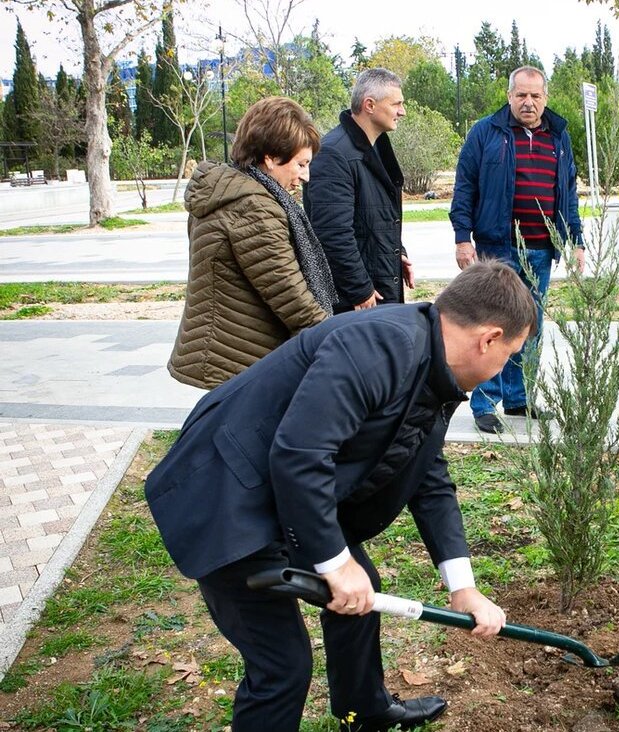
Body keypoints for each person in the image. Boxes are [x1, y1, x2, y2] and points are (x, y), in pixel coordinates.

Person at [145, 261, 537, 732]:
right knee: (282, 664)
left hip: (274, 492)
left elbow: (429, 477)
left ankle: (363, 710)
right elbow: (299, 454)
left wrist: (463, 587)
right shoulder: (380, 346)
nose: (502, 369)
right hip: (222, 497)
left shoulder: (433, 365)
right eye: (509, 354)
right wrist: (333, 561)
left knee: (360, 589)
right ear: (489, 338)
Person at [450, 65, 584, 435]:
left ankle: (519, 396)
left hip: (541, 249)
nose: (528, 102)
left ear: (545, 97)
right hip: (498, 247)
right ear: (509, 96)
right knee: (493, 325)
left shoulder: (559, 136)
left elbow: (568, 193)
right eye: (521, 95)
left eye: (535, 96)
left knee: (530, 326)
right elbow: (464, 189)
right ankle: (484, 401)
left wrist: (575, 241)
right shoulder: (485, 133)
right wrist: (463, 238)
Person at [168, 96, 335, 390]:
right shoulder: (253, 207)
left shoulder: (230, 190)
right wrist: (342, 341)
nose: (305, 176)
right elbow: (290, 295)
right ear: (270, 157)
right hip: (237, 358)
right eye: (301, 164)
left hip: (231, 352)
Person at [306, 68, 413, 311]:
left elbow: (375, 216)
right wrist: (360, 290)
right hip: (356, 302)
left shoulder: (376, 147)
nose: (402, 111)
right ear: (370, 105)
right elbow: (332, 233)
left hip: (379, 287)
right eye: (396, 104)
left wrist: (397, 253)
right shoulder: (334, 153)